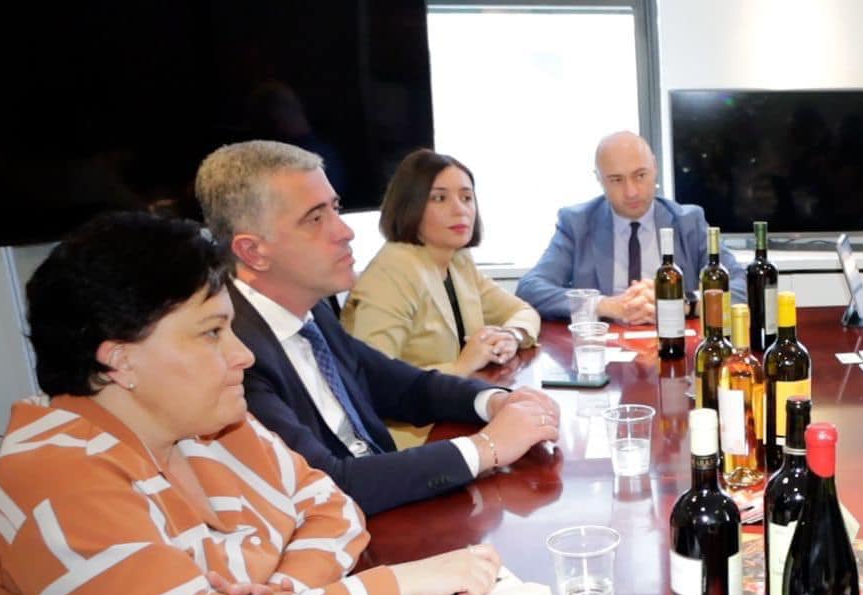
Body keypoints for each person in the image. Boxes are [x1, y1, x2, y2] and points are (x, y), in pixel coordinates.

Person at [0, 212, 504, 595]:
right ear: (119, 362)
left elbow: (333, 509)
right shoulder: (55, 477)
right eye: (211, 333)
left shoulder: (209, 424)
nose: (240, 355)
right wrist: (398, 584)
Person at [195, 140, 561, 516]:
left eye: (336, 209)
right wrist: (489, 447)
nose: (345, 231)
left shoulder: (310, 310)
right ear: (253, 251)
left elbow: (402, 386)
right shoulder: (229, 352)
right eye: (315, 219)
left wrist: (495, 401)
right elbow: (326, 484)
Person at [342, 149, 543, 446]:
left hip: (458, 413)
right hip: (410, 437)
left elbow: (523, 311)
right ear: (410, 205)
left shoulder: (457, 260)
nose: (460, 210)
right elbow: (372, 383)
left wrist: (512, 335)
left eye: (467, 197)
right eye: (439, 198)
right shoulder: (392, 273)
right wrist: (461, 367)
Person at [515, 131, 746, 322]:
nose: (631, 191)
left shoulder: (688, 222)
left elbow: (742, 285)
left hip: (674, 346)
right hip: (606, 350)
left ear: (655, 168)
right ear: (599, 179)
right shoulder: (577, 223)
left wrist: (683, 303)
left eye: (640, 175)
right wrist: (606, 305)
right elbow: (530, 288)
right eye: (616, 180)